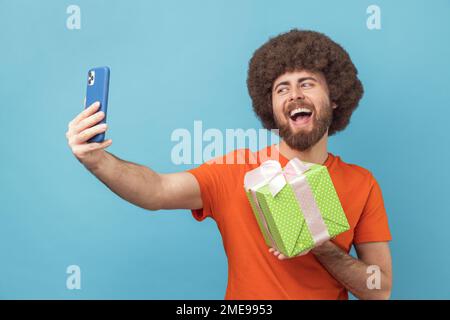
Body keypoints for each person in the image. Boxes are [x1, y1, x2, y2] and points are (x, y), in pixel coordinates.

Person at [66, 29, 392, 300]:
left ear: (334, 98)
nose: (294, 95)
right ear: (272, 107)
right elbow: (156, 190)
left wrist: (322, 246)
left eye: (307, 83)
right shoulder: (237, 170)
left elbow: (379, 290)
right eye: (282, 88)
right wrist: (97, 160)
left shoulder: (362, 183)